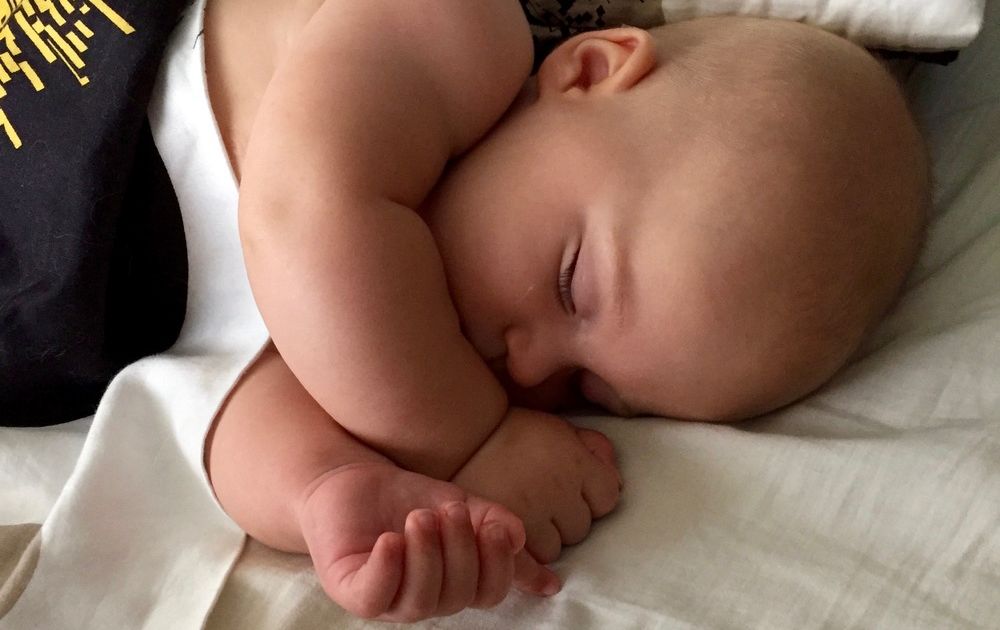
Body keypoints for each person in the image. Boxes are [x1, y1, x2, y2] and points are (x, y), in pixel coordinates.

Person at [198, 0, 928, 622]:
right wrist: (470, 440)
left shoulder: (380, 373)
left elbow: (212, 404)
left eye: (589, 389)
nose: (526, 369)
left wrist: (329, 487)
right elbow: (300, 215)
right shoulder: (454, 35)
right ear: (591, 69)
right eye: (571, 283)